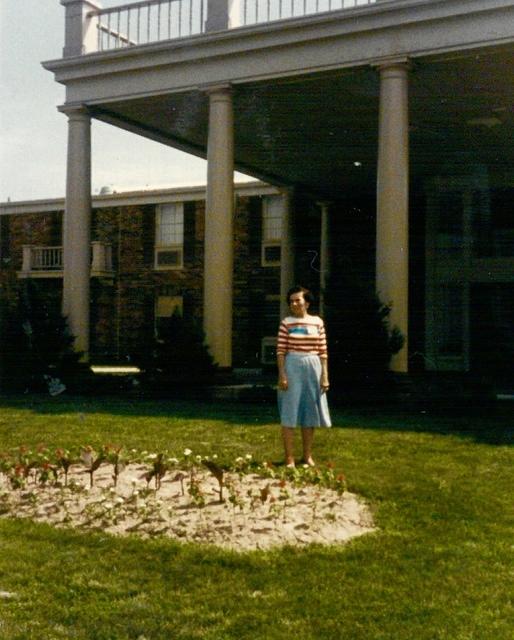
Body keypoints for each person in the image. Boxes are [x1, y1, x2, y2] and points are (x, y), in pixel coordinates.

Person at [276, 285, 331, 467]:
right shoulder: (286, 323)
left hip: (313, 367)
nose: (294, 303)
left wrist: (325, 376)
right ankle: (289, 458)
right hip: (293, 365)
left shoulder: (318, 322)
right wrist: (282, 375)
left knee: (310, 412)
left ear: (306, 302)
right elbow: (281, 351)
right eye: (291, 301)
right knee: (289, 411)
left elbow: (323, 351)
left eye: (297, 300)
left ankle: (307, 456)